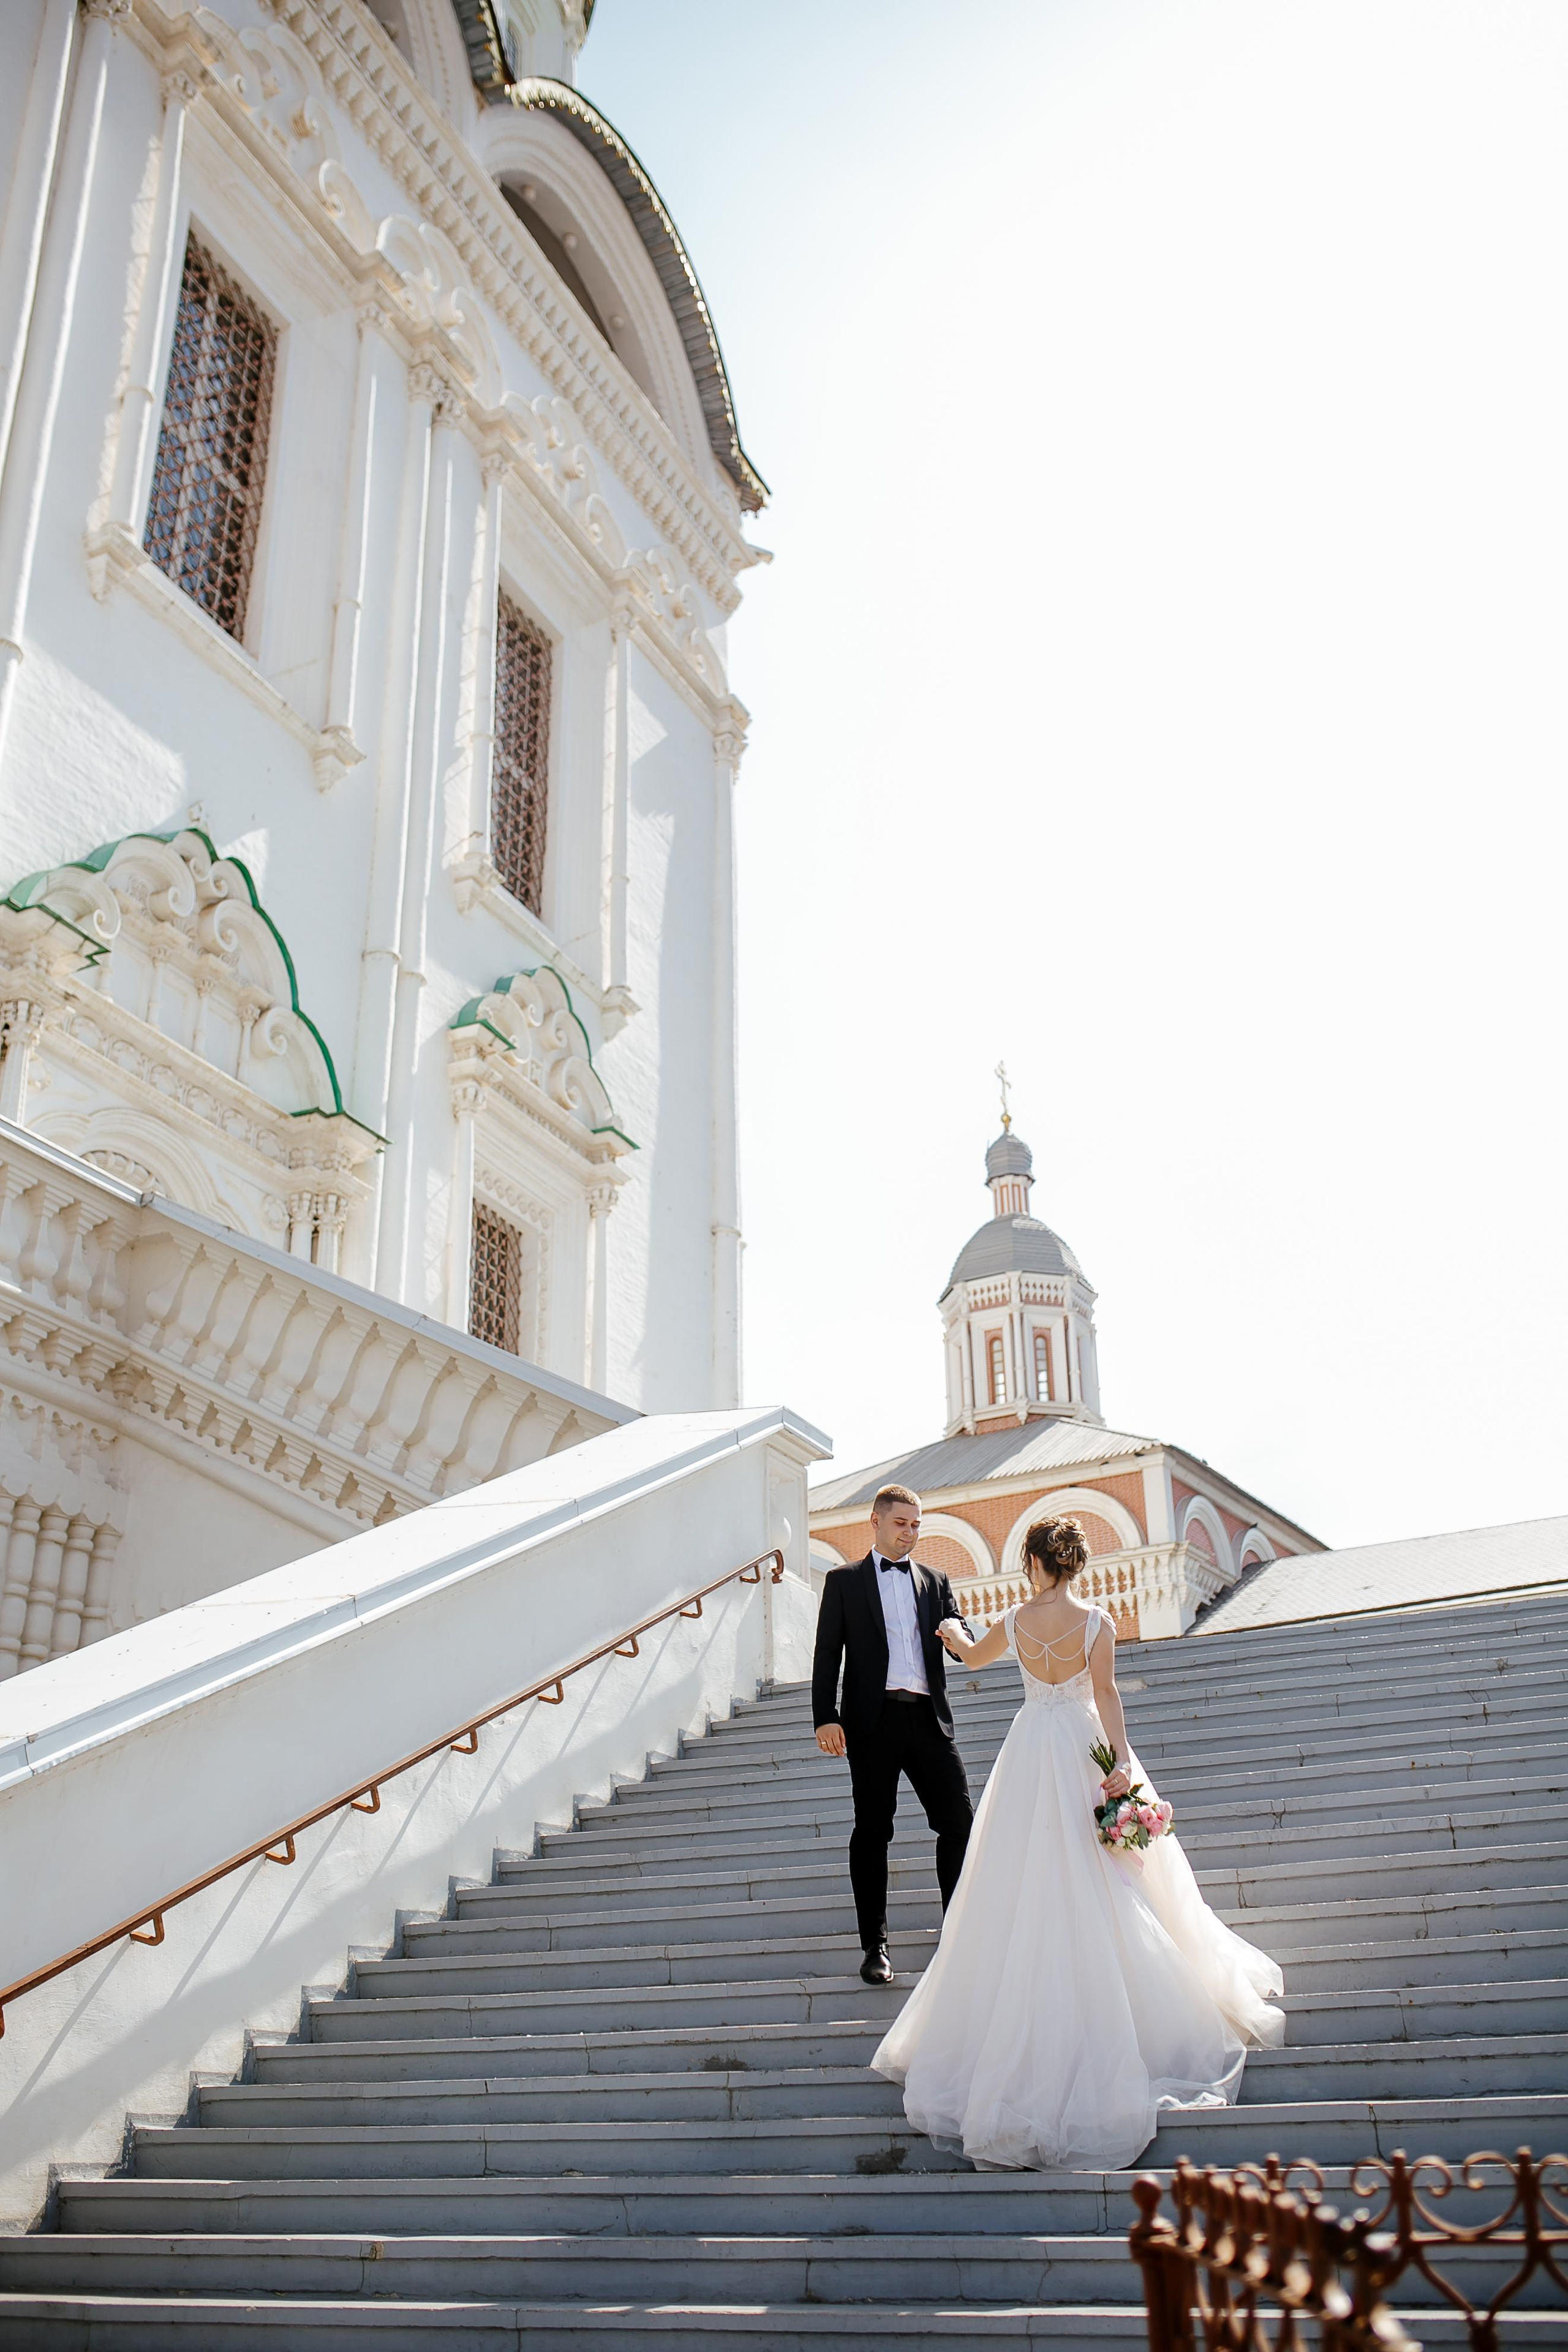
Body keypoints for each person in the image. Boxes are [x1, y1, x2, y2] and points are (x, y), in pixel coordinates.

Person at [871, 1514, 1285, 2171]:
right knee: (1114, 1874)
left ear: (1035, 1562)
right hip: (1084, 1747)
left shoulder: (1012, 1619)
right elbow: (1105, 1693)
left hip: (1031, 1750)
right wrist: (1119, 1762)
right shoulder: (1097, 1622)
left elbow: (972, 1656)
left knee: (1019, 1876)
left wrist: (952, 1631)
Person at [812, 1483, 975, 1986]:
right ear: (877, 1522)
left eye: (917, 1524)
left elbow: (959, 1638)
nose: (910, 1532)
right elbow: (827, 1653)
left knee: (959, 1825)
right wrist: (826, 1716)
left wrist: (958, 1635)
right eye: (902, 1523)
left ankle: (960, 1933)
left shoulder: (936, 1580)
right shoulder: (844, 1581)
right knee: (873, 1831)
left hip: (929, 1719)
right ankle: (875, 1947)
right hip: (872, 1720)